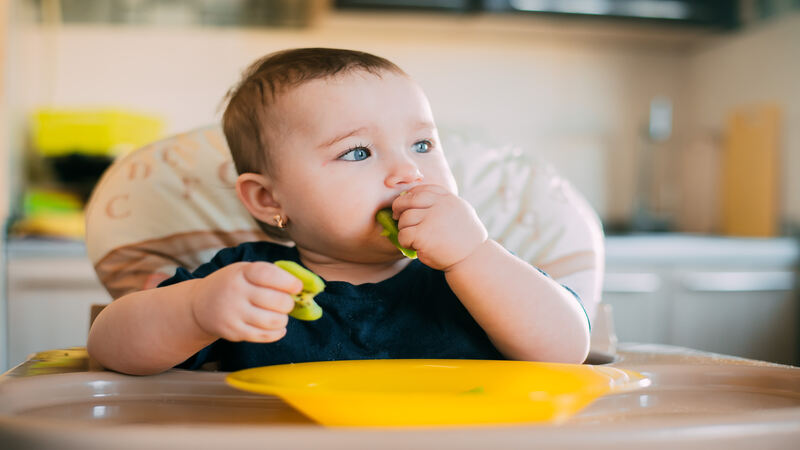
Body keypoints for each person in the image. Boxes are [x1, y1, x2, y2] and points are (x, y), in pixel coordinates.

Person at [87, 48, 591, 375]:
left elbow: (569, 351)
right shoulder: (250, 282)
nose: (408, 173)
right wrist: (196, 309)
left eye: (421, 144)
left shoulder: (479, 276)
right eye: (358, 152)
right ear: (269, 200)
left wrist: (475, 255)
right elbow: (110, 348)